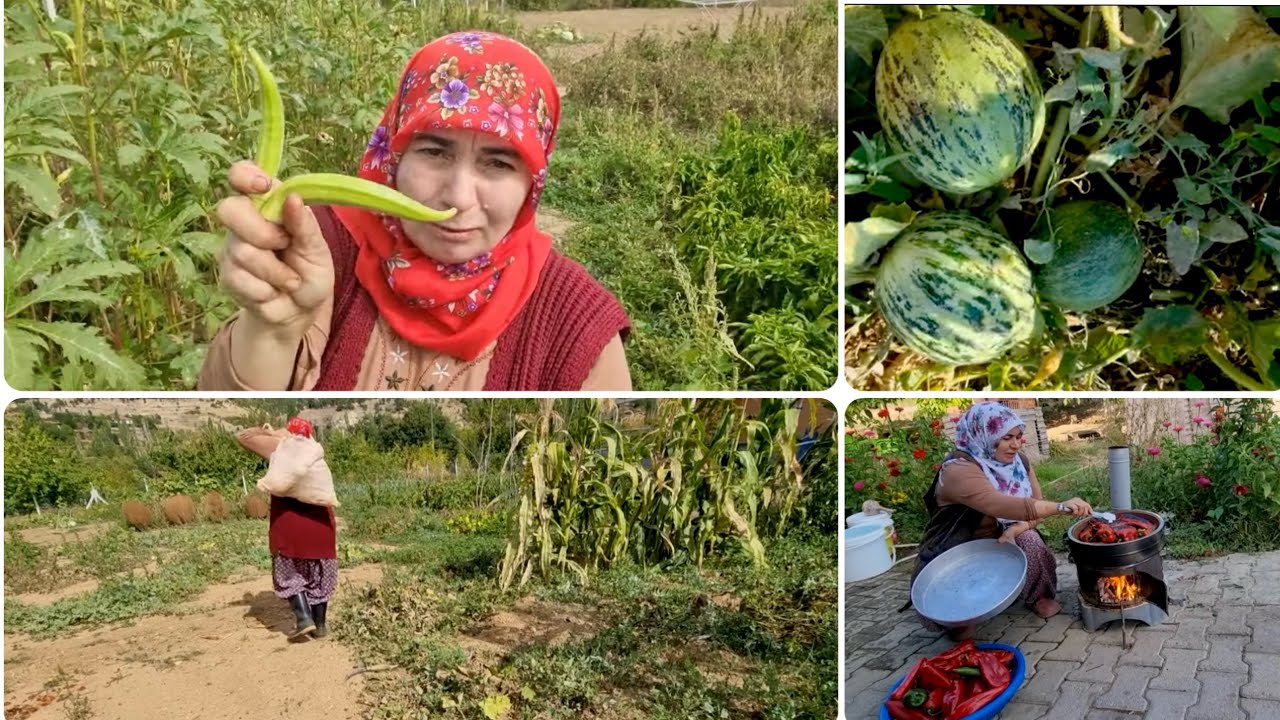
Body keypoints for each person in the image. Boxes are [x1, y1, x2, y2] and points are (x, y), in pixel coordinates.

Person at [198, 31, 631, 391]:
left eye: (499, 163)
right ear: (394, 155)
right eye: (434, 151)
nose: (458, 197)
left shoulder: (577, 323)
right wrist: (273, 325)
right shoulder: (318, 246)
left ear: (532, 182)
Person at [908, 402, 1094, 635]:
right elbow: (1002, 505)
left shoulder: (1019, 463)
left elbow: (1033, 510)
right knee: (956, 627)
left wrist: (1018, 529)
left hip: (1001, 538)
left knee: (1030, 539)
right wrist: (1060, 507)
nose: (1016, 445)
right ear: (984, 435)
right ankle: (959, 616)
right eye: (1007, 438)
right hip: (958, 545)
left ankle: (1038, 595)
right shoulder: (959, 470)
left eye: (1018, 436)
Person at [269, 417, 338, 641]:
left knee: (289, 576)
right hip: (322, 531)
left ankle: (303, 619)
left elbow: (245, 437)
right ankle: (320, 625)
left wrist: (274, 434)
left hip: (289, 530)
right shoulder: (316, 459)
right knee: (320, 581)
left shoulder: (280, 455)